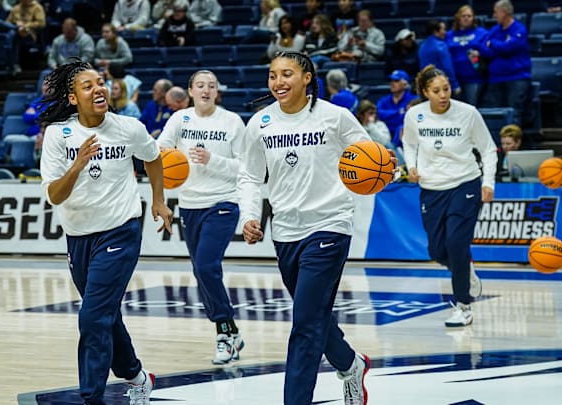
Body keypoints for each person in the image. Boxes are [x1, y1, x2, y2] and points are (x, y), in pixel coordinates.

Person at [238, 51, 373, 405]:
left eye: (287, 74)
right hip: (285, 232)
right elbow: (250, 176)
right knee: (313, 315)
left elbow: (369, 156)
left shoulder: (336, 117)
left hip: (330, 225)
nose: (278, 82)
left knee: (305, 326)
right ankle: (350, 364)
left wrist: (380, 167)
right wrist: (249, 216)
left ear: (307, 77)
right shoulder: (261, 123)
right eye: (272, 75)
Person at [38, 60, 173, 405]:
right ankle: (138, 376)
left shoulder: (128, 127)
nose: (99, 88)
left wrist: (158, 200)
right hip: (79, 236)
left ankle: (92, 398)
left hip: (120, 232)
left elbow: (153, 157)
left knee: (93, 315)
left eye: (101, 82)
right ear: (72, 98)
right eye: (88, 85)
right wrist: (78, 163)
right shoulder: (58, 134)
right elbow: (55, 194)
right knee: (105, 315)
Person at [156, 69, 246, 364]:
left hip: (223, 203)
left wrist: (213, 160)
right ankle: (231, 331)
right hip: (190, 204)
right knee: (200, 271)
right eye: (200, 85)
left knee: (207, 266)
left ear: (217, 91)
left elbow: (246, 168)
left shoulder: (232, 121)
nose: (206, 90)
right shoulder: (180, 120)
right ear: (190, 91)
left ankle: (223, 331)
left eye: (211, 86)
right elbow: (159, 151)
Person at [402, 65, 497, 327]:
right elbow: (409, 143)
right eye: (436, 91)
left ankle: (463, 305)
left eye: (446, 89)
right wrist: (412, 165)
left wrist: (488, 182)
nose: (443, 95)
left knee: (456, 243)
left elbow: (488, 149)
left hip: (465, 184)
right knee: (437, 249)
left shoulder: (468, 113)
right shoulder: (415, 115)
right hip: (431, 188)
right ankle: (465, 269)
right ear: (425, 93)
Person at [480, 0, 532, 129]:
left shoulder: (520, 29)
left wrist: (493, 44)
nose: (494, 16)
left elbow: (510, 47)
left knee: (514, 113)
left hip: (516, 78)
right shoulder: (494, 30)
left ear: (505, 12)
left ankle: (513, 145)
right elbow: (483, 48)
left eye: (496, 12)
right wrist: (499, 46)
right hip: (496, 78)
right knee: (495, 113)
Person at [446, 5, 488, 106]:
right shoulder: (449, 35)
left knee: (471, 108)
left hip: (474, 78)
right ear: (458, 18)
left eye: (469, 16)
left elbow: (489, 50)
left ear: (473, 18)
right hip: (455, 80)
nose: (466, 18)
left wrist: (479, 53)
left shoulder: (482, 33)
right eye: (463, 16)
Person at [418, 19, 461, 96]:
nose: (445, 32)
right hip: (441, 84)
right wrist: (455, 85)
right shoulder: (441, 46)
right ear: (435, 31)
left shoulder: (422, 46)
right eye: (443, 29)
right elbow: (448, 68)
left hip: (427, 84)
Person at [6, 0, 47, 74]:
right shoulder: (16, 8)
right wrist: (16, 24)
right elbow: (7, 22)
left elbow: (42, 23)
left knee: (15, 35)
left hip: (30, 35)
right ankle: (11, 64)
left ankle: (14, 64)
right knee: (13, 35)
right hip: (16, 32)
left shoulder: (37, 7)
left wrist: (25, 25)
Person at [376, 69, 418, 136]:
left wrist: (388, 116)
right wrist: (398, 112)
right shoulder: (383, 100)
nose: (392, 83)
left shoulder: (413, 100)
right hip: (385, 133)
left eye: (396, 81)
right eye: (391, 80)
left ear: (405, 84)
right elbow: (378, 114)